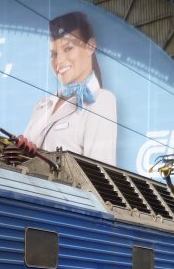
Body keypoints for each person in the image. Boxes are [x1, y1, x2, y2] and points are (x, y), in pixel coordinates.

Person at [20, 12, 118, 165]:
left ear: (90, 46)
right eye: (53, 54)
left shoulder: (101, 100)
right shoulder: (43, 105)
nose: (59, 61)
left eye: (68, 49)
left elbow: (99, 171)